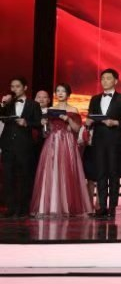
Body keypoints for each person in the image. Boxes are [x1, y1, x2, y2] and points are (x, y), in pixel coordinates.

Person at [29, 83, 91, 217]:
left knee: (67, 171)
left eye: (63, 91)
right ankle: (50, 206)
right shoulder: (50, 109)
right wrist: (45, 124)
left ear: (68, 94)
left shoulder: (73, 109)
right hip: (52, 141)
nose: (60, 93)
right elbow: (46, 130)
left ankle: (67, 206)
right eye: (58, 91)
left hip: (67, 142)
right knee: (51, 171)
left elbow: (77, 129)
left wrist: (68, 119)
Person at [85, 68, 121, 218]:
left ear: (115, 81)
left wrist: (115, 122)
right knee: (100, 173)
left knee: (113, 173)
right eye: (103, 78)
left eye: (108, 78)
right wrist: (88, 122)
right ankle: (101, 207)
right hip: (98, 140)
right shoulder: (94, 99)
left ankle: (112, 207)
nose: (105, 81)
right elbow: (91, 117)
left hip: (115, 141)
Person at [0, 77, 42, 218]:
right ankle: (10, 208)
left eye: (17, 86)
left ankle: (23, 208)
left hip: (24, 145)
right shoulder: (8, 103)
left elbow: (38, 123)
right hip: (8, 144)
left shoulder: (33, 105)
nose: (14, 89)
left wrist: (26, 123)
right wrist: (3, 103)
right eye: (12, 86)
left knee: (24, 176)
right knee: (8, 176)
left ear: (25, 87)